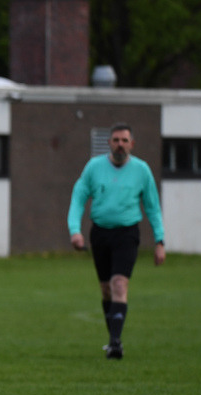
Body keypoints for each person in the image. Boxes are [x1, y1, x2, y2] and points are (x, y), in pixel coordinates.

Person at [68, 123, 165, 360]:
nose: (119, 144)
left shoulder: (142, 170)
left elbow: (152, 207)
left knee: (119, 284)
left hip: (127, 234)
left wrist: (160, 240)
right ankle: (113, 339)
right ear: (109, 143)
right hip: (100, 233)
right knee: (106, 291)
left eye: (124, 140)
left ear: (132, 144)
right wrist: (75, 230)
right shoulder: (94, 167)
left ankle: (115, 343)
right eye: (115, 140)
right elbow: (78, 197)